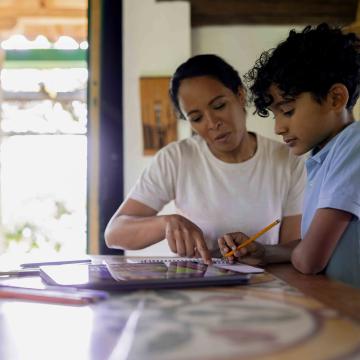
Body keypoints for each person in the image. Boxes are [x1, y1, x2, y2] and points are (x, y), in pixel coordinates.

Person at [105, 54, 306, 264]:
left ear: (240, 95)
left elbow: (292, 248)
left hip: (266, 286)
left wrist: (263, 252)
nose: (212, 123)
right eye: (197, 118)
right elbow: (114, 233)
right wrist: (166, 223)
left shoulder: (287, 161)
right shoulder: (176, 159)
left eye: (219, 106)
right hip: (200, 288)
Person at [226, 24, 360, 287]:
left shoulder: (353, 144)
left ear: (335, 98)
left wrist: (301, 253)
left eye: (287, 110)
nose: (278, 128)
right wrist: (265, 252)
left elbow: (310, 259)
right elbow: (314, 245)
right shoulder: (323, 157)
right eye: (275, 115)